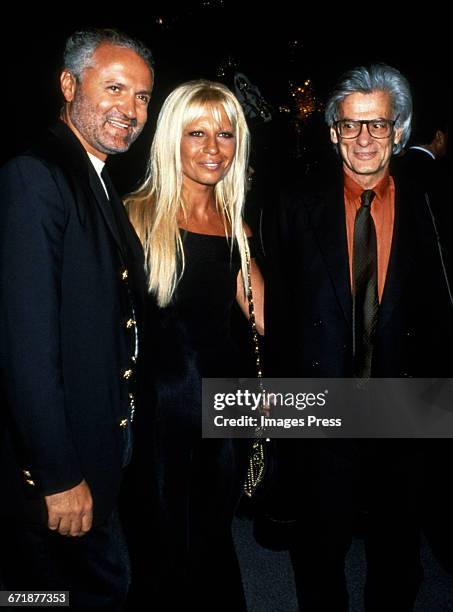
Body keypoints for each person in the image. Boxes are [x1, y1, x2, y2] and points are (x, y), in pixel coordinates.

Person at [265, 64, 453, 611]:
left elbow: (442, 311)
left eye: (378, 125)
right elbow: (278, 316)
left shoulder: (432, 203)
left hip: (407, 404)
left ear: (399, 130)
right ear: (332, 132)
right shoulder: (292, 204)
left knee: (398, 551)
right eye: (351, 126)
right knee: (319, 549)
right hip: (320, 405)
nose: (364, 139)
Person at [0, 28, 154, 609]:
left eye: (142, 96)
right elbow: (25, 345)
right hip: (58, 469)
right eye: (114, 88)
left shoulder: (94, 175)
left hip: (96, 445)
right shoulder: (34, 176)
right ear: (68, 84)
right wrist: (58, 474)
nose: (130, 109)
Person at [124, 79, 264, 610]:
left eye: (225, 134)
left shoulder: (236, 227)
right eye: (197, 133)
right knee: (159, 552)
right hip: (158, 411)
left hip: (225, 408)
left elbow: (267, 319)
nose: (213, 148)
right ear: (171, 141)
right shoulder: (134, 217)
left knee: (212, 538)